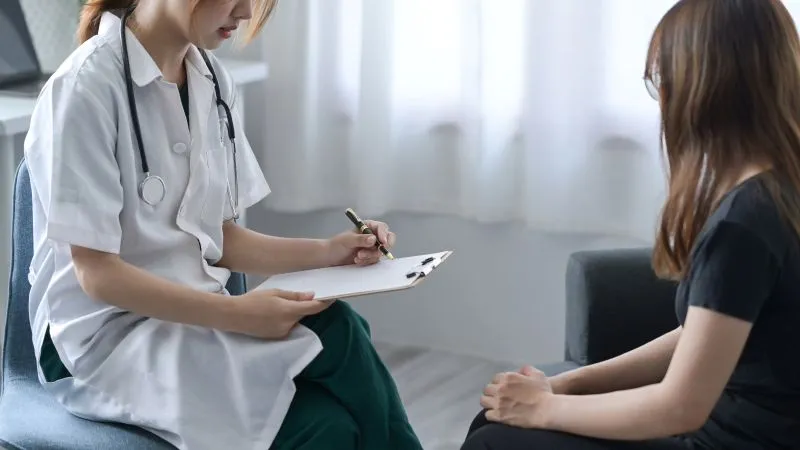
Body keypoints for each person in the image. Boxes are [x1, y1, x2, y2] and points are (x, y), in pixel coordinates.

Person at [23, 1, 424, 449]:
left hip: (189, 314)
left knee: (332, 422)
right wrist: (238, 314)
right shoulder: (84, 88)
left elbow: (219, 236)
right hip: (101, 340)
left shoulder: (210, 81)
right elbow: (96, 273)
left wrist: (333, 249)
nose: (247, 12)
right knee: (335, 335)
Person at [461, 0, 800, 449]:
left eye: (661, 79)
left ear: (701, 85)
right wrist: (566, 386)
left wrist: (544, 408)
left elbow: (680, 407)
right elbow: (700, 338)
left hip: (729, 439)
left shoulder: (744, 222)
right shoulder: (781, 186)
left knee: (495, 437)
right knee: (498, 422)